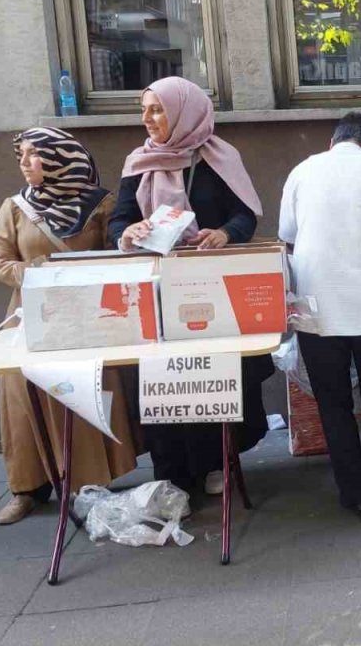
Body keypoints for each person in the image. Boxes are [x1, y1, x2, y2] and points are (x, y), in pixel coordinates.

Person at [110, 76, 274, 495]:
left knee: (210, 376)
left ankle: (219, 460)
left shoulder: (219, 157)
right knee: (164, 379)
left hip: (211, 290)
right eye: (144, 110)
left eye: (157, 109)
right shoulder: (139, 161)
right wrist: (131, 231)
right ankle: (172, 474)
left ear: (184, 110)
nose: (147, 119)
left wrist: (224, 234)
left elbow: (245, 216)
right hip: (159, 292)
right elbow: (119, 222)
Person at [0, 127, 140, 524]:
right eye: (20, 154)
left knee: (84, 392)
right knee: (25, 402)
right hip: (30, 316)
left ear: (59, 158)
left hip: (85, 316)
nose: (23, 162)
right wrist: (31, 274)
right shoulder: (16, 207)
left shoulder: (100, 204)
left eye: (33, 154)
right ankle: (27, 489)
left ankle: (90, 485)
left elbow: (116, 255)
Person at [278, 113, 361, 521]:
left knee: (333, 402)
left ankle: (358, 494)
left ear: (332, 141)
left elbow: (288, 240)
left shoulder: (300, 171)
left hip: (315, 309)